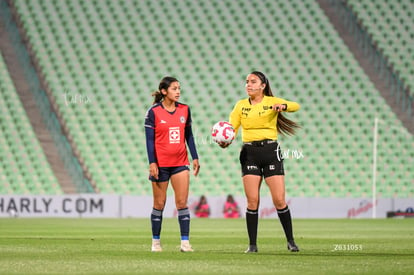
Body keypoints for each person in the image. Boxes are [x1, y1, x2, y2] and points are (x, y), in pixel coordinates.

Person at [219, 71, 300, 253]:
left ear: (263, 86)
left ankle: (291, 241)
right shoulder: (240, 106)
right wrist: (225, 140)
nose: (248, 84)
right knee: (252, 200)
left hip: (271, 151)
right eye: (247, 82)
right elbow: (231, 129)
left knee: (279, 200)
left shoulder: (271, 102)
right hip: (249, 153)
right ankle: (252, 245)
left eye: (253, 82)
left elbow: (296, 106)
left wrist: (283, 106)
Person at [144, 76, 200, 252]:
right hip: (160, 165)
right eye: (174, 88)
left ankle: (185, 243)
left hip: (180, 163)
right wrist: (152, 162)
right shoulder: (153, 112)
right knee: (159, 204)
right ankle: (156, 243)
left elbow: (188, 135)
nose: (178, 91)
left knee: (182, 202)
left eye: (179, 88)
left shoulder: (185, 110)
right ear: (164, 91)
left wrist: (195, 157)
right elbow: (149, 141)